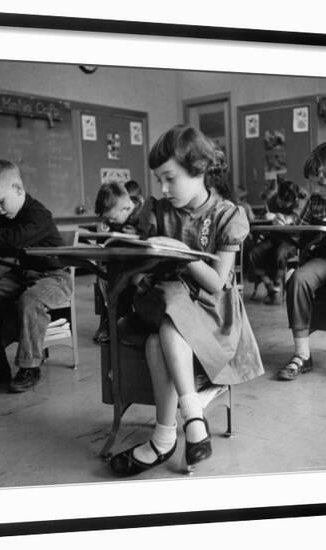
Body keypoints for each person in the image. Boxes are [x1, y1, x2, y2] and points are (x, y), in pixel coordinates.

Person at [109, 125, 264, 476]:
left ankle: (164, 440)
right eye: (159, 180)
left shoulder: (227, 215)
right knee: (168, 300)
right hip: (163, 300)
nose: (163, 189)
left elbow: (216, 283)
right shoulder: (157, 212)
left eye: (170, 178)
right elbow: (139, 264)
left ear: (199, 170)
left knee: (156, 340)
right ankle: (193, 415)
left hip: (211, 314)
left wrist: (185, 253)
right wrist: (137, 268)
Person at [0, 159, 72, 393]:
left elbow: (13, 239)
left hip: (54, 277)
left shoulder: (38, 214)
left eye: (0, 202)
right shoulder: (5, 214)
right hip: (23, 275)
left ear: (18, 189)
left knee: (30, 300)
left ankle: (30, 366)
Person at [278, 143, 326, 381]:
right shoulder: (315, 200)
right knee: (298, 279)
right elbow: (299, 229)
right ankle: (302, 354)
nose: (315, 189)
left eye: (320, 183)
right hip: (323, 258)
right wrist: (286, 226)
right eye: (313, 183)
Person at [92, 180, 145, 343]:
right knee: (108, 280)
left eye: (113, 219)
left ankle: (124, 323)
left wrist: (140, 234)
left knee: (126, 283)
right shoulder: (117, 215)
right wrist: (104, 233)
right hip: (121, 264)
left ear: (127, 208)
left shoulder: (144, 214)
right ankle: (114, 321)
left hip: (143, 267)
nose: (111, 222)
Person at [248, 178, 308, 305]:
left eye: (286, 203)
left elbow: (295, 217)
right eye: (280, 200)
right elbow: (261, 217)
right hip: (274, 237)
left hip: (291, 239)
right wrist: (266, 217)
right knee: (253, 254)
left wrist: (283, 218)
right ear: (278, 195)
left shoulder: (300, 201)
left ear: (294, 200)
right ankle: (271, 287)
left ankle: (276, 284)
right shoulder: (272, 200)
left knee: (280, 254)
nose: (281, 205)